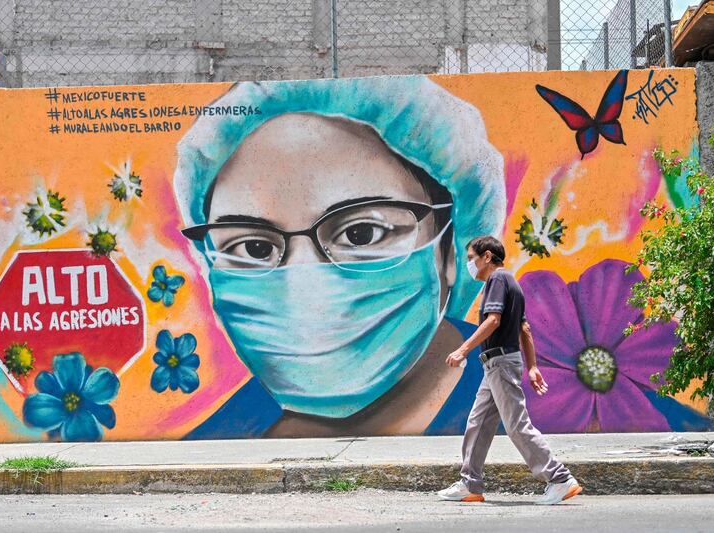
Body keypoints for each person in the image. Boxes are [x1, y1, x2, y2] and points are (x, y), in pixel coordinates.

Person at [173, 76, 506, 438]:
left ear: (449, 253)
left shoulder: (517, 401)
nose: (303, 289)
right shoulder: (225, 432)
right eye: (254, 248)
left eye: (361, 233)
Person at [438, 236, 583, 505]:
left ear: (488, 257)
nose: (470, 264)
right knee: (478, 423)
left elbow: (494, 320)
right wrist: (533, 367)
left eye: (472, 258)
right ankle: (470, 484)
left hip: (501, 363)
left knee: (517, 425)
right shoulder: (512, 283)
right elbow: (524, 328)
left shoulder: (497, 280)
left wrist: (462, 350)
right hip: (496, 364)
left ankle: (560, 478)